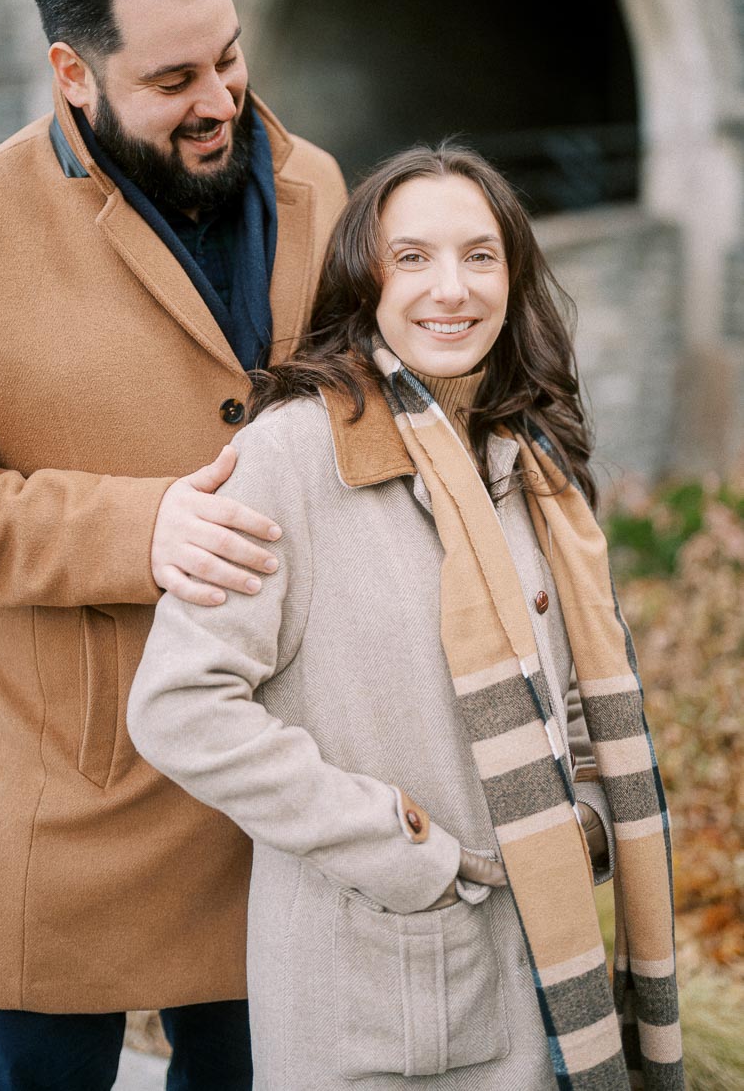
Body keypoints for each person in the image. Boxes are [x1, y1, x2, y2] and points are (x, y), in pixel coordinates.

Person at [0, 0, 346, 1089]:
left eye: (228, 60)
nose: (221, 102)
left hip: (286, 776)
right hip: (76, 793)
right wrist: (140, 525)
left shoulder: (321, 186)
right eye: (172, 83)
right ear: (74, 74)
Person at [128, 143, 682, 1090]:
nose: (450, 290)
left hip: (539, 986)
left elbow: (574, 688)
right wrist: (402, 848)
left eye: (479, 255)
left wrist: (589, 816)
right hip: (371, 1000)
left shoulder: (528, 460)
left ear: (513, 275)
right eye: (412, 257)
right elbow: (179, 707)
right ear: (365, 280)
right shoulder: (296, 454)